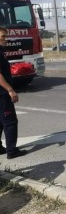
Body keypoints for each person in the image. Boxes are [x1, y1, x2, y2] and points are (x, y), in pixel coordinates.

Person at [0, 27, 27, 159]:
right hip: (2, 93)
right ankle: (12, 151)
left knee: (0, 121)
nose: (6, 39)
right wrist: (10, 89)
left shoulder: (1, 51)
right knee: (10, 121)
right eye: (3, 36)